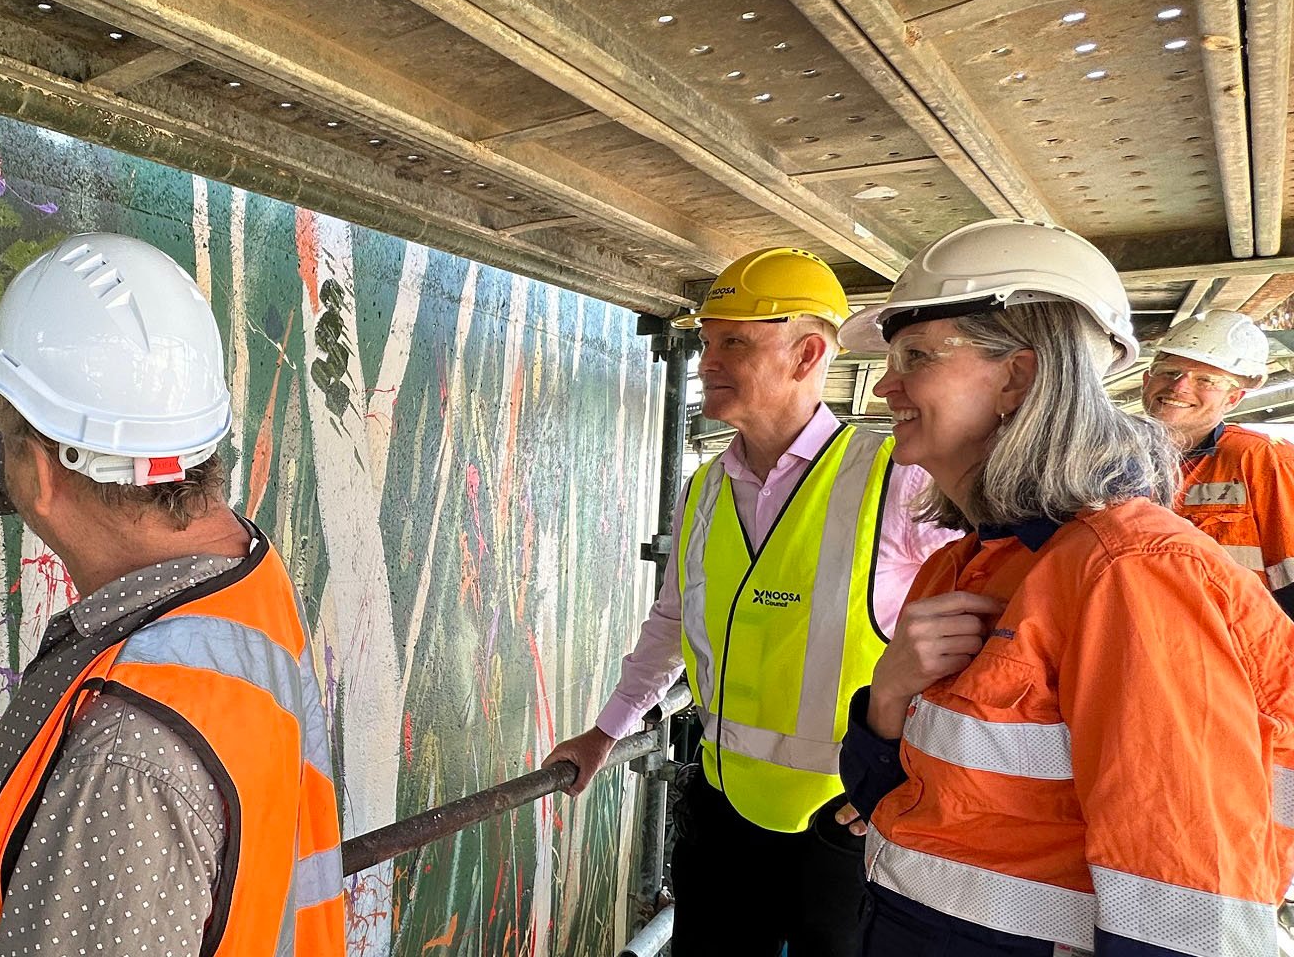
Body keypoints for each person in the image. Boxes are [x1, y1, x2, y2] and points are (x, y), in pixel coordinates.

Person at [0, 233, 346, 956]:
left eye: (14, 443)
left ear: (40, 475)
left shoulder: (128, 766)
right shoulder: (243, 570)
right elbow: (98, 493)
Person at [837, 218, 1294, 956]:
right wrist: (887, 700)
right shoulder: (966, 564)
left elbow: (1186, 908)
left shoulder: (1130, 572)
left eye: (916, 356)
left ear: (1018, 377)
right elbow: (899, 813)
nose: (886, 385)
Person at [544, 247, 959, 956]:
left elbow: (980, 645)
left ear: (807, 355)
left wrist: (921, 783)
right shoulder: (705, 487)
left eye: (734, 341)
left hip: (847, 825)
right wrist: (606, 732)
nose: (708, 359)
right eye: (706, 341)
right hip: (721, 810)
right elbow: (671, 624)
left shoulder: (898, 480)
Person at [1138, 309, 1294, 615]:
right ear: (1147, 380)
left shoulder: (1262, 459)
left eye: (1206, 380)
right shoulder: (1107, 459)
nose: (1179, 386)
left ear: (1233, 399)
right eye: (1169, 372)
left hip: (1234, 650)